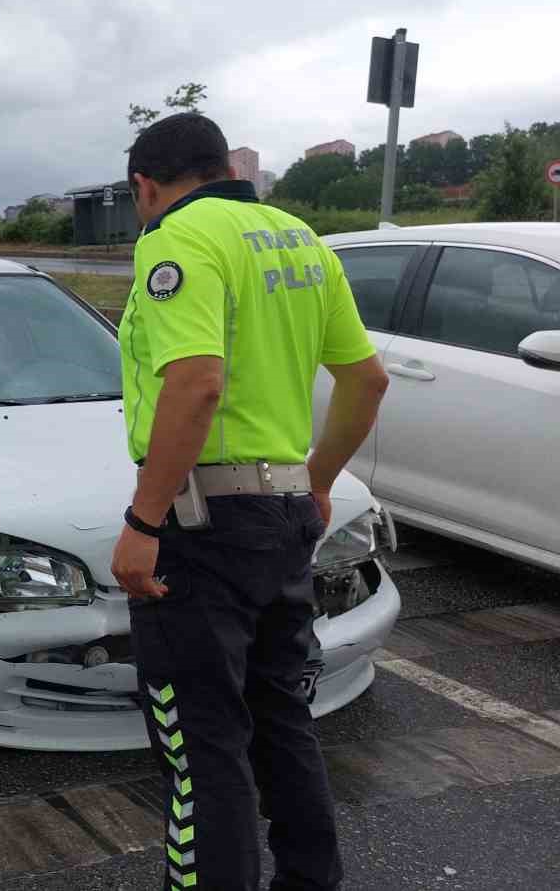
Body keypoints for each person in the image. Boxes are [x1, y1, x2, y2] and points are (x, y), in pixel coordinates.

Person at [109, 113, 389, 891]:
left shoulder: (177, 238)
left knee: (201, 742)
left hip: (204, 526)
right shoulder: (298, 237)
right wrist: (321, 478)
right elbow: (367, 381)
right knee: (281, 716)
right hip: (285, 515)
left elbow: (196, 381)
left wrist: (144, 519)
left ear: (146, 185)